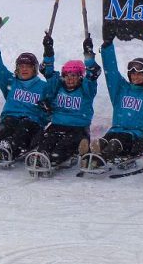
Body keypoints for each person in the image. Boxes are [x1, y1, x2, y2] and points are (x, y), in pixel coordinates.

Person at [80, 27, 143, 169]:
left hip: (138, 138)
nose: (136, 76)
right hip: (115, 130)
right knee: (107, 139)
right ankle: (92, 151)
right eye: (133, 73)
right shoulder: (121, 90)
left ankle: (98, 159)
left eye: (140, 74)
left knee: (117, 141)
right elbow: (112, 73)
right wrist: (107, 46)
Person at [26, 35, 101, 174]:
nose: (70, 79)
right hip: (57, 124)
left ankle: (60, 156)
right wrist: (48, 51)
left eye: (74, 76)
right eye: (67, 75)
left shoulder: (86, 90)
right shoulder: (58, 86)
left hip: (77, 127)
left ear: (80, 77)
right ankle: (42, 155)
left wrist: (88, 54)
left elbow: (92, 74)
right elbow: (49, 72)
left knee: (63, 145)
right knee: (46, 140)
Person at [0, 25, 49, 164]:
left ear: (35, 69)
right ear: (17, 69)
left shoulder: (43, 87)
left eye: (28, 66)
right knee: (8, 122)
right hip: (11, 117)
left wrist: (46, 112)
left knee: (24, 126)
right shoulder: (11, 82)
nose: (24, 69)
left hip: (32, 123)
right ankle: (0, 145)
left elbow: (51, 108)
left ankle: (10, 148)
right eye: (21, 66)